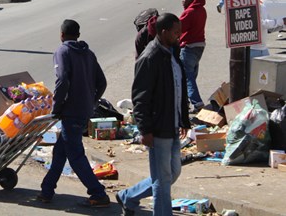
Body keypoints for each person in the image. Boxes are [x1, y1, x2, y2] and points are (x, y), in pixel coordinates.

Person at [116, 13, 190, 216]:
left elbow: (179, 87)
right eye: (176, 32)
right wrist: (145, 130)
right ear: (164, 32)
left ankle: (128, 196)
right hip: (158, 129)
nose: (179, 35)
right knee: (162, 180)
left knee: (171, 174)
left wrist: (184, 118)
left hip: (173, 125)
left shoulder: (173, 52)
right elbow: (140, 98)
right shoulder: (149, 58)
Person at [36, 19, 109, 207]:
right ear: (78, 34)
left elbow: (62, 80)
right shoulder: (89, 54)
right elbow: (102, 82)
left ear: (61, 35)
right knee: (61, 151)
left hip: (71, 111)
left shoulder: (63, 51)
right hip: (84, 110)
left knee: (75, 155)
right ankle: (47, 190)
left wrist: (57, 106)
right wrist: (91, 101)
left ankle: (98, 193)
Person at [179, 0, 207, 112]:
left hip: (188, 46)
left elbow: (178, 29)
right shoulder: (202, 9)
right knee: (191, 76)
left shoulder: (189, 12)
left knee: (187, 77)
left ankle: (197, 102)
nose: (182, 1)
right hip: (199, 46)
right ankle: (186, 103)